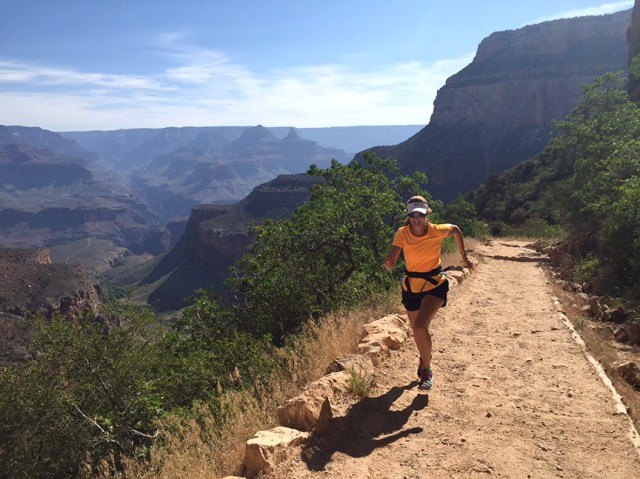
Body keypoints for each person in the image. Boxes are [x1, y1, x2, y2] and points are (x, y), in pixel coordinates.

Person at [383, 195, 473, 390]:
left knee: (421, 326)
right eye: (414, 215)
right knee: (417, 331)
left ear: (426, 214)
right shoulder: (402, 233)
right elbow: (393, 256)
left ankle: (426, 371)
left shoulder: (436, 230)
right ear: (408, 215)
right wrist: (389, 264)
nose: (417, 219)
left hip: (434, 284)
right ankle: (425, 357)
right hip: (411, 286)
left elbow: (456, 229)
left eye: (421, 215)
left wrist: (464, 257)